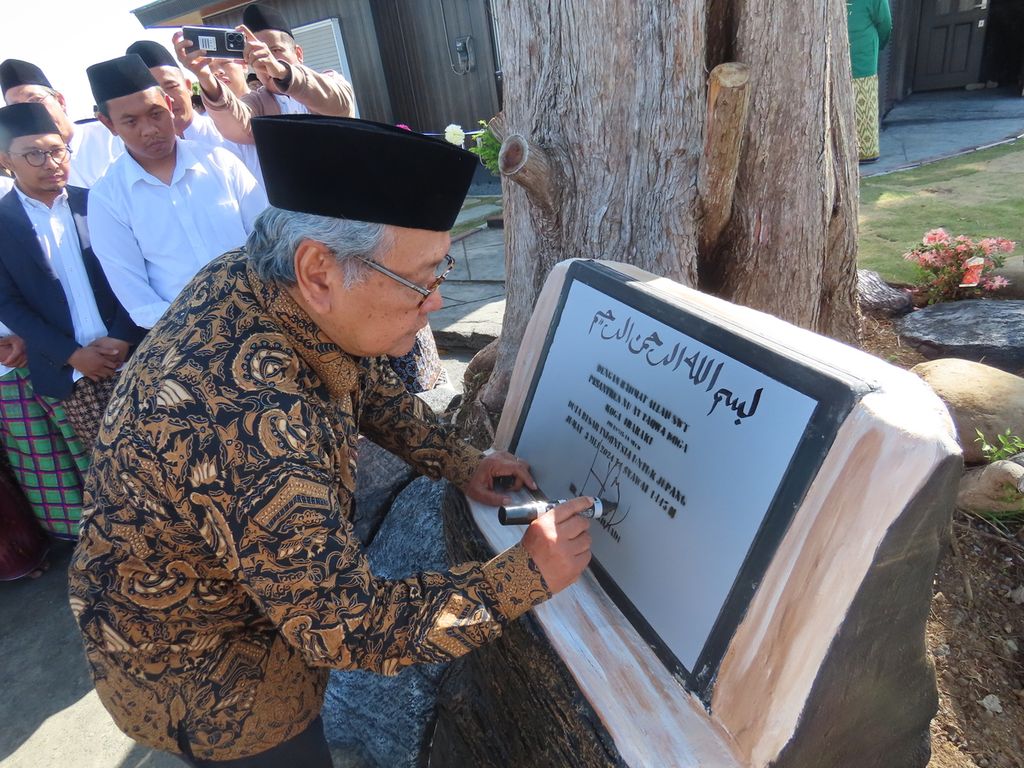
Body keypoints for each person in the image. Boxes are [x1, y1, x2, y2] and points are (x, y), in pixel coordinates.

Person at [69, 115, 593, 767]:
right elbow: (348, 628)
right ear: (318, 270)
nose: (436, 302)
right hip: (213, 685)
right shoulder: (255, 426)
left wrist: (458, 460)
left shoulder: (259, 277)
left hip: (211, 605)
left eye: (443, 269)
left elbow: (357, 370)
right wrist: (525, 576)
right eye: (420, 280)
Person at [0, 103, 143, 537]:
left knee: (174, 455)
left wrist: (122, 337)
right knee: (122, 474)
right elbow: (9, 304)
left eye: (58, 151)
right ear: (5, 160)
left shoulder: (97, 203)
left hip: (133, 357)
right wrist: (73, 355)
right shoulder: (2, 224)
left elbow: (131, 274)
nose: (52, 164)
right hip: (73, 374)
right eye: (34, 155)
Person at [86, 54, 268, 329]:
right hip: (190, 340)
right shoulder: (107, 198)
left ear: (169, 105)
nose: (149, 130)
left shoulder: (221, 162)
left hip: (264, 312)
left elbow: (268, 241)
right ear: (108, 124)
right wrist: (200, 329)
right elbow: (137, 296)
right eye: (131, 122)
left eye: (155, 113)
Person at [173, 3, 356, 146]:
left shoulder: (329, 81)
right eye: (256, 53)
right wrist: (206, 78)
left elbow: (339, 103)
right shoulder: (257, 103)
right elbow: (237, 127)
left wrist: (281, 70)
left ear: (298, 53)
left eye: (276, 50)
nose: (266, 60)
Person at [127, 40, 264, 186]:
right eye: (153, 94)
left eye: (171, 86)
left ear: (188, 86)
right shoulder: (138, 163)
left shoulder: (232, 134)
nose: (168, 99)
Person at [0, 58, 122, 187]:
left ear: (60, 101)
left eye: (35, 100)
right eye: (18, 108)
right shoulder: (26, 164)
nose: (32, 112)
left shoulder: (112, 136)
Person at [847, 0, 892, 163]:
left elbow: (885, 25)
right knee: (864, 98)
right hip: (864, 51)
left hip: (857, 51)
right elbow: (885, 24)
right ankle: (865, 150)